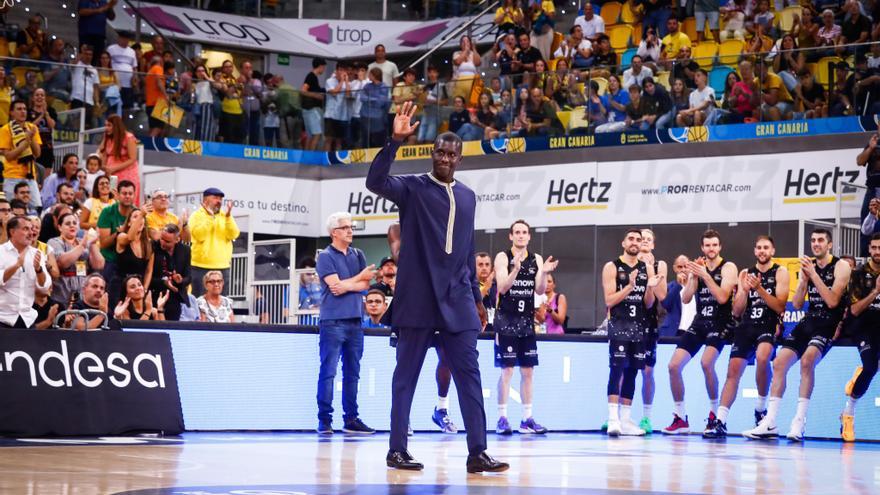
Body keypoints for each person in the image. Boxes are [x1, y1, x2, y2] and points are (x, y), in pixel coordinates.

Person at [366, 102, 508, 473]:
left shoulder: (468, 196)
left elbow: (465, 250)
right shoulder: (412, 188)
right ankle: (397, 450)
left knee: (470, 378)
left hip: (458, 300)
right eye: (440, 153)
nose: (445, 158)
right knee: (405, 379)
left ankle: (478, 453)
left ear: (459, 159)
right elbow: (375, 182)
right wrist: (394, 142)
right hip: (417, 300)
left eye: (451, 154)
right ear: (432, 155)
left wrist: (478, 300)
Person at [745, 229, 852, 441]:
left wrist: (813, 275)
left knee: (807, 360)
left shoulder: (841, 266)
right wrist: (803, 280)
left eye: (821, 240)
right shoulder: (808, 266)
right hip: (810, 319)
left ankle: (799, 422)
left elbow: (832, 302)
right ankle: (770, 421)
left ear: (829, 245)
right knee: (779, 363)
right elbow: (795, 303)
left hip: (830, 322)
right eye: (813, 240)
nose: (816, 244)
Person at [705, 236, 789, 438]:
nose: (762, 251)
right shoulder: (745, 273)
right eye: (759, 247)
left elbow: (780, 306)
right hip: (746, 325)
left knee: (762, 358)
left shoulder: (780, 272)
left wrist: (759, 289)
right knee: (733, 372)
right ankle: (721, 420)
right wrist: (743, 290)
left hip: (768, 324)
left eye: (766, 248)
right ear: (754, 251)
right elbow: (736, 311)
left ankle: (760, 409)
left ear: (772, 250)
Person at [663, 230, 737, 435]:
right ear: (702, 248)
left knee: (706, 363)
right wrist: (693, 277)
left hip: (721, 322)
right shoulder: (699, 268)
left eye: (714, 245)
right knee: (673, 366)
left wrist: (705, 275)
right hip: (700, 320)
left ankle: (714, 415)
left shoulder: (728, 267)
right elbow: (686, 298)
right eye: (707, 245)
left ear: (719, 247)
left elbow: (723, 297)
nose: (711, 249)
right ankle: (680, 417)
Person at [493, 219, 557, 435]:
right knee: (507, 370)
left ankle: (527, 418)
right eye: (517, 232)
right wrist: (515, 270)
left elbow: (540, 291)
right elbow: (502, 287)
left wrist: (545, 272)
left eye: (524, 232)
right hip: (506, 321)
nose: (521, 235)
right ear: (511, 236)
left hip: (526, 322)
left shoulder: (536, 258)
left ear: (529, 236)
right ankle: (502, 417)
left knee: (528, 371)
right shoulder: (503, 257)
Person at [314, 212, 376, 436]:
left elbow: (364, 285)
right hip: (333, 321)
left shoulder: (357, 254)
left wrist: (347, 284)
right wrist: (357, 279)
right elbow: (334, 287)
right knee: (328, 372)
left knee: (353, 373)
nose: (350, 231)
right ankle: (325, 420)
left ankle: (351, 419)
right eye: (346, 227)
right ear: (334, 232)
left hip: (355, 321)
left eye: (351, 227)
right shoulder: (325, 256)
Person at [602, 229, 659, 436]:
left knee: (633, 372)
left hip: (639, 326)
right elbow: (609, 300)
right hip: (619, 325)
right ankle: (613, 418)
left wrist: (650, 287)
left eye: (638, 239)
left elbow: (649, 302)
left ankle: (625, 420)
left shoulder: (646, 267)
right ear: (623, 243)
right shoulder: (612, 266)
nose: (635, 242)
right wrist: (630, 286)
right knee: (616, 369)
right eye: (631, 239)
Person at [841, 233, 880, 441]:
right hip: (863, 325)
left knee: (873, 364)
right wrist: (875, 291)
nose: (877, 252)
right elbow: (854, 310)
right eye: (874, 248)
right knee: (872, 366)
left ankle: (859, 375)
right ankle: (848, 413)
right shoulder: (857, 274)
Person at [636, 229, 668, 434]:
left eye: (649, 240)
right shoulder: (626, 263)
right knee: (622, 370)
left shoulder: (660, 265)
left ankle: (646, 418)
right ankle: (618, 416)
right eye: (642, 239)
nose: (645, 242)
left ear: (653, 245)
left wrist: (649, 269)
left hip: (648, 323)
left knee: (647, 371)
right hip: (626, 322)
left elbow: (662, 294)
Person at [0, 216, 50, 328]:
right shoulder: (1, 252)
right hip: (3, 318)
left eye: (32, 229)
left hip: (27, 319)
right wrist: (16, 265)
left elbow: (44, 286)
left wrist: (39, 270)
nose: (31, 233)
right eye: (26, 229)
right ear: (12, 232)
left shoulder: (37, 254)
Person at [189, 187, 240, 297]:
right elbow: (199, 235)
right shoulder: (196, 215)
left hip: (222, 266)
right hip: (200, 266)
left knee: (220, 302)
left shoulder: (225, 216)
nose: (219, 201)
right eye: (215, 198)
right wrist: (210, 218)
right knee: (200, 301)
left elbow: (234, 234)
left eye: (220, 199)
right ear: (205, 200)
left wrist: (228, 217)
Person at [48, 212, 104, 306]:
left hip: (82, 290)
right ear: (59, 227)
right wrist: (83, 245)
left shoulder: (83, 241)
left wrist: (93, 244)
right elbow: (63, 262)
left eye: (74, 223)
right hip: (62, 289)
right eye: (68, 223)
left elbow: (99, 265)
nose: (72, 226)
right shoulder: (54, 242)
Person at [97, 179, 136, 307]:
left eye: (130, 193)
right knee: (111, 301)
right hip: (111, 261)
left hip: (130, 261)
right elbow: (103, 244)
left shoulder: (137, 214)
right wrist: (119, 232)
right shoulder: (107, 212)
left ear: (134, 195)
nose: (127, 196)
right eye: (124, 193)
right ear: (117, 195)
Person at [0, 100, 42, 211]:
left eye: (24, 109)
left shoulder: (32, 128)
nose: (23, 112)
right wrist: (25, 142)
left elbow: (37, 154)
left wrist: (30, 136)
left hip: (30, 176)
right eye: (19, 109)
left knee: (36, 209)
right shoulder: (5, 130)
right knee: (11, 210)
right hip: (12, 177)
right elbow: (8, 156)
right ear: (11, 113)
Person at [144, 223, 190, 322]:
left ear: (177, 240)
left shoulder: (185, 250)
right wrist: (164, 282)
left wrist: (180, 281)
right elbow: (147, 276)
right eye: (162, 239)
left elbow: (189, 277)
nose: (163, 243)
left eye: (167, 241)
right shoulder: (153, 247)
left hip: (175, 297)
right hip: (155, 294)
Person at [99, 114, 140, 204]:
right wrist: (104, 167)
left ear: (116, 126)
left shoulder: (129, 137)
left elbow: (132, 159)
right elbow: (102, 153)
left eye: (109, 125)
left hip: (127, 174)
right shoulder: (107, 138)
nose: (106, 128)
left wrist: (114, 168)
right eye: (105, 125)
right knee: (113, 198)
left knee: (126, 197)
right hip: (112, 175)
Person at [115, 208, 152, 299]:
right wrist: (142, 214)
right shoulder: (121, 237)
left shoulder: (148, 244)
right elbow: (129, 238)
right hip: (120, 287)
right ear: (129, 223)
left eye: (142, 217)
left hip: (138, 289)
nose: (139, 219)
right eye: (135, 217)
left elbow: (148, 270)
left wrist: (145, 289)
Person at [659, 255, 696, 336]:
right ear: (675, 268)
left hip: (693, 332)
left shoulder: (696, 287)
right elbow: (666, 305)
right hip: (673, 331)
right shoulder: (668, 287)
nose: (683, 269)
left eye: (686, 266)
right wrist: (678, 285)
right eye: (680, 267)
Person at [29, 88, 57, 173]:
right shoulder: (28, 111)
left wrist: (46, 114)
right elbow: (30, 127)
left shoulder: (51, 111)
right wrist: (41, 115)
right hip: (33, 147)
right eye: (37, 95)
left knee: (46, 179)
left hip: (47, 148)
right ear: (33, 98)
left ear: (45, 98)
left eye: (42, 95)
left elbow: (52, 126)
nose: (39, 97)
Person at [301, 57, 326, 151]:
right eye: (324, 67)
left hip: (309, 110)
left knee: (310, 134)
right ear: (320, 66)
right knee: (316, 134)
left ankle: (307, 156)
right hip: (311, 110)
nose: (324, 70)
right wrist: (316, 95)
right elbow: (303, 91)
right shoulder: (311, 76)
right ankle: (311, 156)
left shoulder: (313, 77)